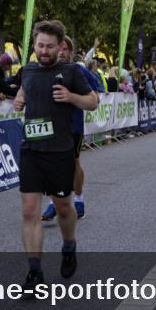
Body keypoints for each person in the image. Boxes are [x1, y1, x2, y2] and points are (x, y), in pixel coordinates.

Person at [13, 20, 98, 290]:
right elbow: (24, 91)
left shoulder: (71, 71)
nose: (45, 50)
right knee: (29, 212)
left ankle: (69, 244)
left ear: (60, 46)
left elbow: (93, 102)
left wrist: (72, 97)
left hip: (59, 151)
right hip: (31, 150)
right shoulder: (27, 70)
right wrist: (19, 101)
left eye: (50, 46)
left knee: (63, 208)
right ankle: (35, 272)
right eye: (40, 45)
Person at [41, 36, 102, 223]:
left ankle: (78, 198)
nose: (61, 52)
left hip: (73, 125)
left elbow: (96, 95)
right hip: (51, 126)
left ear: (70, 52)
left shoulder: (78, 70)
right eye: (59, 48)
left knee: (73, 163)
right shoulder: (45, 71)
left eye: (65, 49)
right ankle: (54, 202)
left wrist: (75, 97)